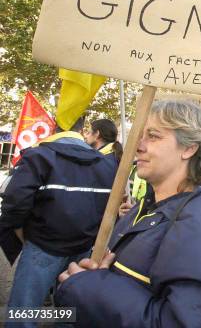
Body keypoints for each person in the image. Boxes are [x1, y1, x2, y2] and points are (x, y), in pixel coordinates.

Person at [54, 99, 201, 327]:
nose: (138, 145)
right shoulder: (145, 207)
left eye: (153, 136)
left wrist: (93, 287)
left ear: (189, 148)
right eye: (140, 135)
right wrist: (93, 284)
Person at [0, 117, 117, 328]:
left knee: (23, 314)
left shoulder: (38, 155)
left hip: (43, 247)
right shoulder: (105, 163)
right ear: (81, 131)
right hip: (82, 250)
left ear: (54, 129)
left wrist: (21, 233)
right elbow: (110, 208)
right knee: (68, 311)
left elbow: (14, 202)